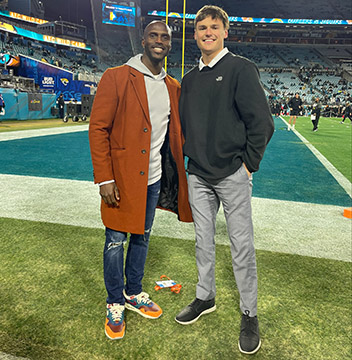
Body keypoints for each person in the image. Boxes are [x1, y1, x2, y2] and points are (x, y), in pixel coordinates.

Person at [175, 5, 274, 355]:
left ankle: (250, 313)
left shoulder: (241, 69)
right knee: (203, 241)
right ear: (195, 33)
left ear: (225, 32)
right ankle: (206, 296)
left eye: (214, 27)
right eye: (201, 27)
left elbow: (262, 123)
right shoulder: (188, 79)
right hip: (199, 175)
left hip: (232, 174)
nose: (207, 32)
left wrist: (247, 166)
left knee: (241, 247)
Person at [88, 21, 192, 341]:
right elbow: (98, 129)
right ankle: (115, 300)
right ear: (143, 40)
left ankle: (133, 293)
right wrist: (105, 177)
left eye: (165, 37)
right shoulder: (117, 76)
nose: (159, 41)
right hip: (120, 179)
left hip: (154, 177)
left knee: (142, 237)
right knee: (116, 241)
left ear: (169, 45)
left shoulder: (173, 86)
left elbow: (178, 134)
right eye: (154, 36)